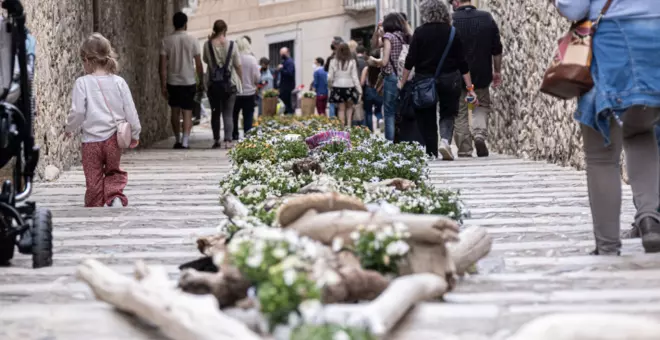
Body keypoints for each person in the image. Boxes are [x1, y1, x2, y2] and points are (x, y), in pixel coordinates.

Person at [553, 0, 660, 255]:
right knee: (641, 130)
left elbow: (573, 7)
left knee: (601, 152)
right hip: (655, 38)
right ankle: (649, 218)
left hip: (611, 40)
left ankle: (607, 245)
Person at [65, 33, 141, 207]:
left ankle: (94, 203)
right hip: (114, 139)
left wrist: (69, 128)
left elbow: (77, 112)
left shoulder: (82, 83)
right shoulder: (119, 82)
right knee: (113, 172)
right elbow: (130, 111)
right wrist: (135, 133)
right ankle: (114, 197)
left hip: (91, 142)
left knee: (93, 179)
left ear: (86, 59)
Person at [400, 0, 477, 159]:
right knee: (448, 113)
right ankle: (445, 141)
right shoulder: (452, 32)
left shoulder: (420, 32)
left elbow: (410, 60)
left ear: (425, 13)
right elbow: (462, 62)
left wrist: (402, 82)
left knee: (427, 115)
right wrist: (470, 87)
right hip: (450, 79)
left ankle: (431, 151)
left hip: (424, 81)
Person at [450, 0, 503, 158]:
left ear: (457, 2)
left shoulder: (451, 20)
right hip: (482, 72)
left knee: (459, 111)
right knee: (481, 106)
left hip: (456, 74)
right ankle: (479, 135)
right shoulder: (486, 18)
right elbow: (497, 48)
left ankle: (465, 148)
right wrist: (497, 70)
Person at [160, 12, 203, 150]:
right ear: (186, 24)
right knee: (187, 112)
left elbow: (162, 66)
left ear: (174, 23)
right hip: (189, 81)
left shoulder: (166, 41)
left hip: (173, 81)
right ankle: (185, 142)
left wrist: (163, 84)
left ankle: (177, 139)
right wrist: (201, 80)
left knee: (174, 111)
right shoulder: (193, 40)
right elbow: (199, 64)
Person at [368, 13, 412, 141]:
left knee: (389, 112)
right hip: (403, 76)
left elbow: (384, 61)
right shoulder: (404, 36)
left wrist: (373, 61)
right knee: (399, 109)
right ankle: (402, 139)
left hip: (391, 76)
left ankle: (389, 142)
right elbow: (376, 44)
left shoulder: (388, 37)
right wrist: (378, 32)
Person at [203, 19, 243, 149]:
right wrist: (241, 80)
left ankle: (216, 140)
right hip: (230, 83)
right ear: (225, 29)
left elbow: (205, 60)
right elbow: (237, 65)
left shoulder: (207, 44)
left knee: (215, 112)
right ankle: (228, 140)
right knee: (228, 113)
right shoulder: (232, 45)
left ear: (214, 29)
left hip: (212, 83)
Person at [232, 37, 260, 140]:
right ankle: (247, 135)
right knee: (248, 115)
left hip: (235, 93)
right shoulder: (252, 59)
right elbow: (257, 77)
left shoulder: (233, 58)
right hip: (249, 92)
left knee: (233, 114)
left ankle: (234, 134)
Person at [328, 43, 362, 127]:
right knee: (350, 108)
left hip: (337, 87)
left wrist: (330, 86)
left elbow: (329, 77)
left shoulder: (333, 61)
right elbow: (355, 77)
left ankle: (342, 126)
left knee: (341, 109)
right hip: (349, 87)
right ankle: (349, 125)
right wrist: (359, 90)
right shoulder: (352, 61)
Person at [361, 49, 384, 132]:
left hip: (369, 91)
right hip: (379, 91)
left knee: (368, 112)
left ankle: (370, 130)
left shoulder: (367, 69)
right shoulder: (382, 69)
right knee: (378, 110)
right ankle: (380, 120)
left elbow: (362, 82)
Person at [326, 37, 344, 118]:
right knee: (341, 105)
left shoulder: (331, 58)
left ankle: (333, 123)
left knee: (333, 104)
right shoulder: (345, 57)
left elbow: (326, 69)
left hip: (334, 83)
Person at [278, 47, 295, 114]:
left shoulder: (289, 62)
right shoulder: (284, 61)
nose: (281, 55)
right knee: (284, 103)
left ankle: (289, 115)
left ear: (287, 53)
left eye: (283, 54)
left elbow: (289, 73)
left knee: (287, 104)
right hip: (284, 86)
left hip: (287, 86)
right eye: (281, 54)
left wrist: (281, 69)